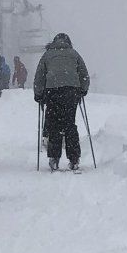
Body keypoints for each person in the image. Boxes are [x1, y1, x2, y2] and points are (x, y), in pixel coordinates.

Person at [34, 31, 91, 170]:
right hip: (71, 91)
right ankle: (74, 158)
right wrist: (82, 90)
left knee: (54, 125)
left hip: (52, 91)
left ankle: (54, 158)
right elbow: (84, 74)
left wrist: (39, 94)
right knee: (70, 124)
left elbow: (39, 76)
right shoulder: (74, 53)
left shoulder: (47, 54)